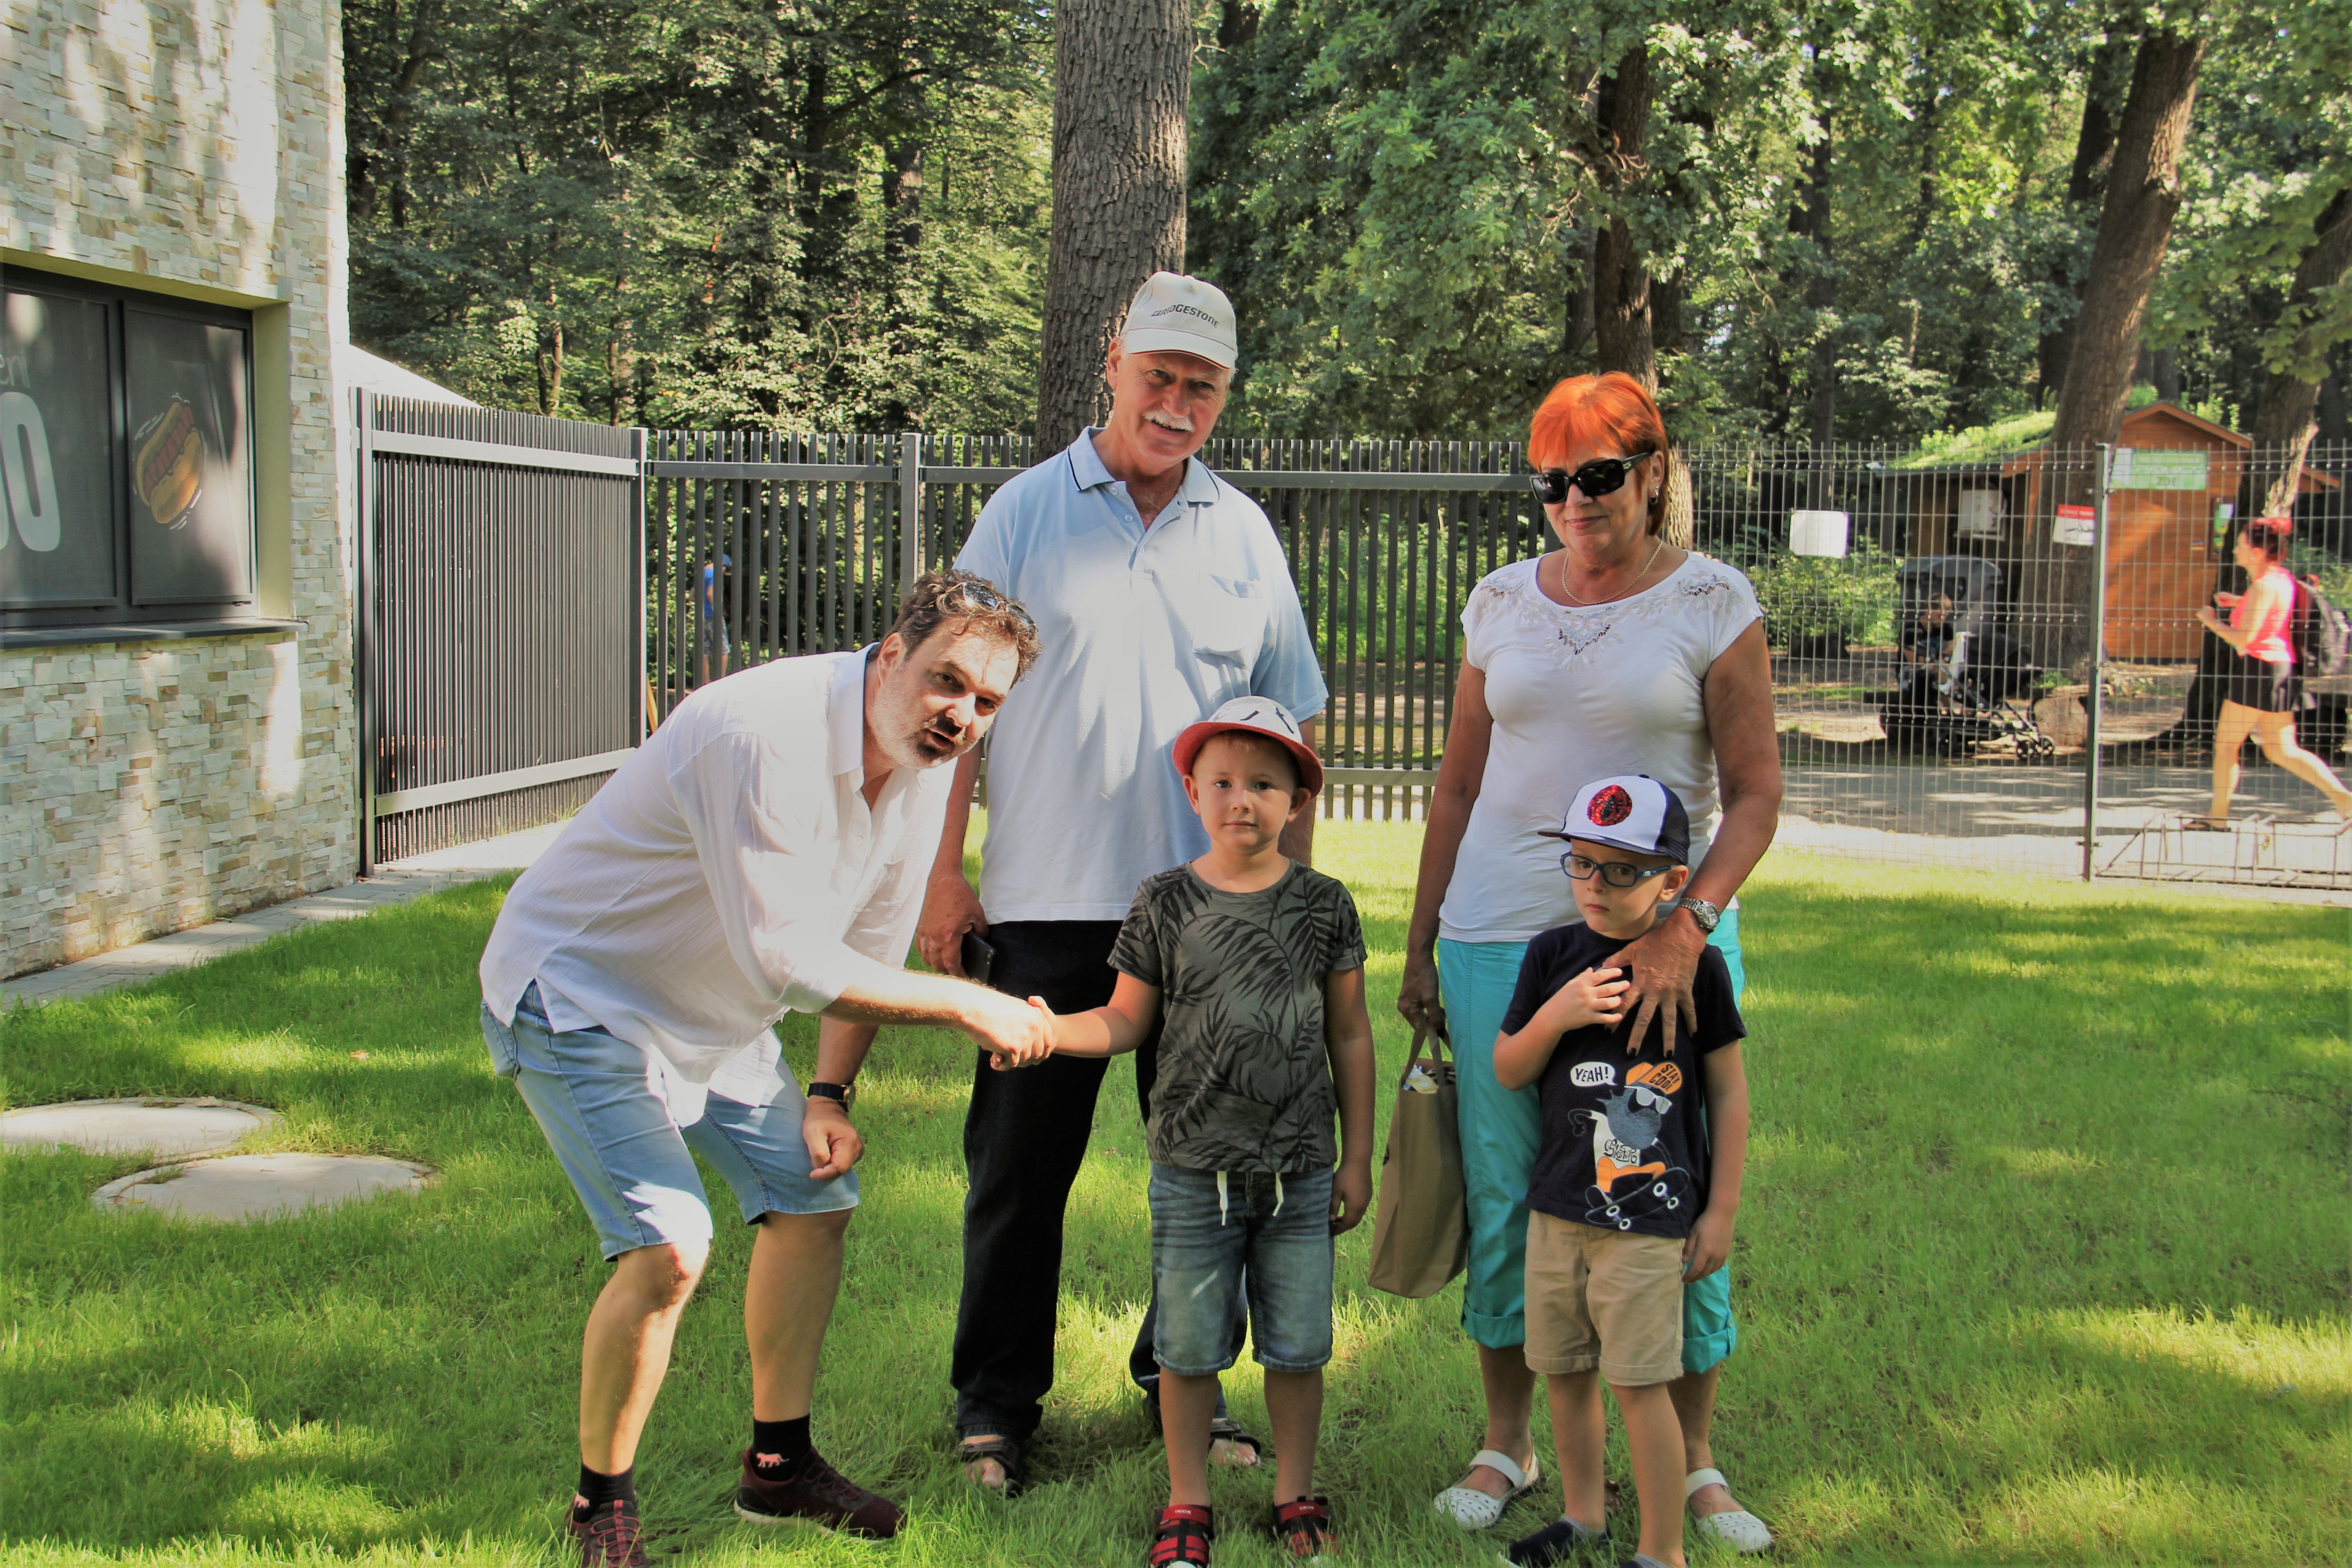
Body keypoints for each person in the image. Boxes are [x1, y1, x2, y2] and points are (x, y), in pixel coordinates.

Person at [477, 570, 1052, 1567]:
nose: (959, 717)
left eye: (986, 703)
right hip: (579, 995)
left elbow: (864, 956)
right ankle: (599, 1512)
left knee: (814, 1197)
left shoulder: (916, 769)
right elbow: (787, 961)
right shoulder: (762, 731)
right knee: (667, 1249)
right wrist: (971, 1002)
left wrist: (829, 1094)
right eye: (944, 682)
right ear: (888, 656)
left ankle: (777, 1473)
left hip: (713, 1015)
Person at [920, 272, 1329, 1490]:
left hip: (1205, 916)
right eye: (1160, 377)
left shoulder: (1243, 534)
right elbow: (955, 706)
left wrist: (1283, 910)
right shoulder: (1025, 515)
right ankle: (995, 1404)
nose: (1177, 404)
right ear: (1114, 363)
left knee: (1203, 1177)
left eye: (1202, 387)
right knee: (1016, 1175)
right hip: (1043, 905)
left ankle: (1182, 1383)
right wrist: (944, 877)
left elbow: (1294, 719)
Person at [1395, 372, 1779, 1554]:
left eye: (1599, 475)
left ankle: (1695, 1461)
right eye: (1552, 479)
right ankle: (1508, 1441)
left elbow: (1758, 794)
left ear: (1654, 471)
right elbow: (1457, 782)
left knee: (1658, 1195)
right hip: (1496, 944)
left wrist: (1688, 924)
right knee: (1514, 1199)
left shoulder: (1713, 602)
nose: (1574, 500)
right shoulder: (1499, 600)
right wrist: (1421, 940)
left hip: (1662, 950)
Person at [1034, 698, 1375, 1566]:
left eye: (1264, 784)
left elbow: (1348, 1034)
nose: (1241, 801)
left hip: (1299, 1168)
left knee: (1297, 1346)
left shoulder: (1322, 905)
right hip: (1192, 1169)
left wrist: (1358, 1157)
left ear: (1296, 800)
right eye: (1221, 782)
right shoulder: (1163, 902)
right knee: (1187, 1350)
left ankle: (1294, 1490)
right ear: (1191, 792)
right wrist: (1047, 1030)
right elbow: (1119, 1023)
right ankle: (1187, 1500)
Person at [1490, 776, 1749, 1568]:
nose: (1595, 886)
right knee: (1562, 1371)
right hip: (1559, 1208)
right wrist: (1558, 1013)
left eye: (1622, 870)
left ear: (1674, 880)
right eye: (1581, 863)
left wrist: (1719, 1212)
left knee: (1638, 1386)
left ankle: (1661, 1550)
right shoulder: (1550, 955)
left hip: (1648, 1220)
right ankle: (1581, 1517)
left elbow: (1728, 1093)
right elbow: (1507, 1069)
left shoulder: (1696, 968)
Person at [2190, 515, 2352, 828]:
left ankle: (2218, 817)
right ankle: (2344, 800)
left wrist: (2210, 621)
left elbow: (2246, 638)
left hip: (2259, 670)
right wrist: (2239, 602)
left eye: (2239, 545)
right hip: (2280, 671)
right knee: (2281, 750)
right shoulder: (2279, 579)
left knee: (2225, 746)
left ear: (2257, 551)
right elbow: (2273, 616)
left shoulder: (2264, 585)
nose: (2234, 551)